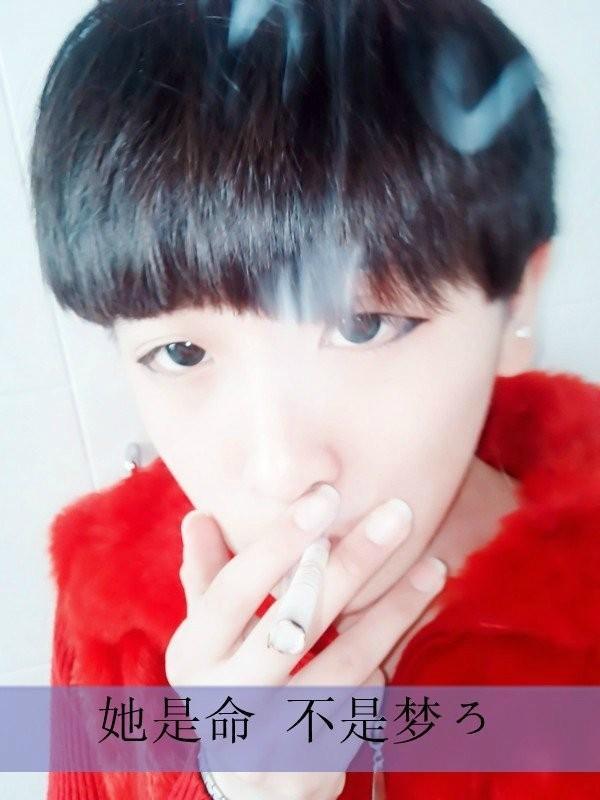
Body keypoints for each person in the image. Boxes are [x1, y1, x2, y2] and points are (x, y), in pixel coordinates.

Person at [30, 0, 599, 798]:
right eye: (182, 352)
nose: (281, 470)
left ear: (517, 301)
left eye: (363, 326)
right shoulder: (110, 608)